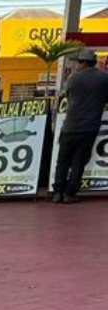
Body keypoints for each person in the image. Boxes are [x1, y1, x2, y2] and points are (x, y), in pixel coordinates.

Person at [53, 48, 108, 204]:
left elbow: (65, 97)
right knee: (79, 161)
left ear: (83, 62)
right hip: (90, 127)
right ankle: (70, 193)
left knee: (62, 161)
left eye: (78, 62)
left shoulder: (73, 78)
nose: (76, 64)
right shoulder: (104, 78)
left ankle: (57, 192)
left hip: (70, 126)